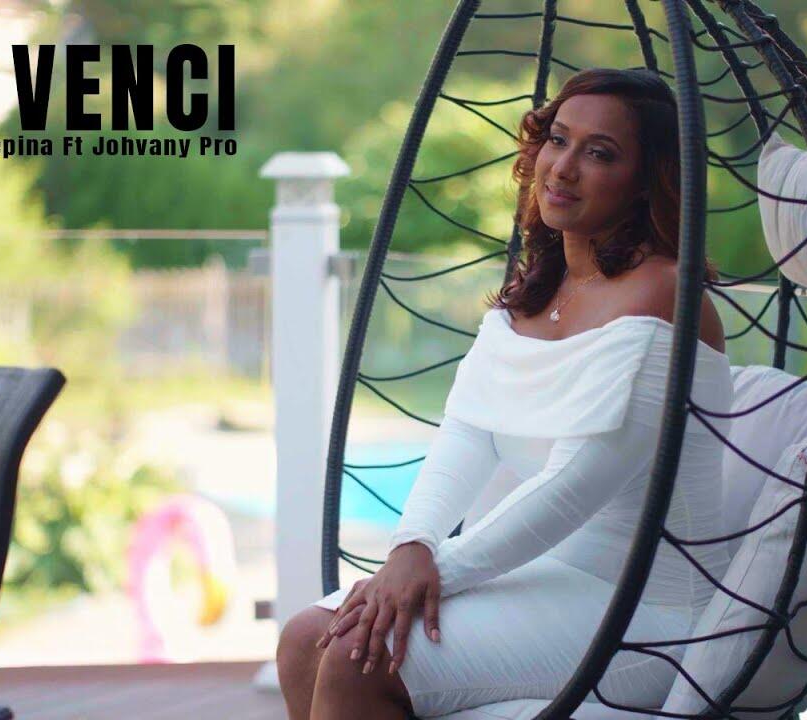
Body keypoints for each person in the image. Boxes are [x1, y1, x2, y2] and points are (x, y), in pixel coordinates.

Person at [275, 67, 734, 720]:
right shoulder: (535, 292)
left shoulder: (665, 292)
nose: (563, 168)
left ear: (646, 180)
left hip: (648, 614)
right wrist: (412, 546)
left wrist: (433, 573)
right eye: (558, 140)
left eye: (600, 153)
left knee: (358, 655)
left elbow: (576, 483)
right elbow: (468, 433)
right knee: (304, 639)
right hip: (553, 580)